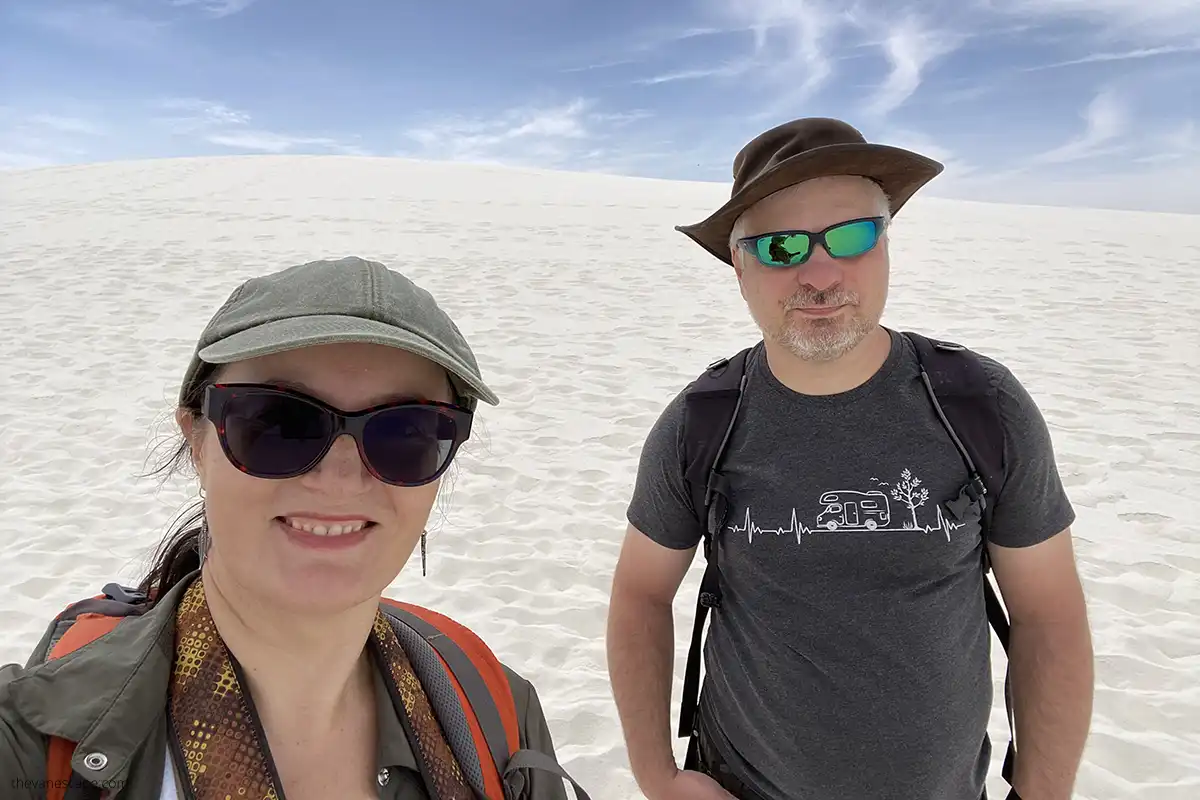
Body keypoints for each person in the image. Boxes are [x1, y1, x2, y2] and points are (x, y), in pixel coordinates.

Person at [606, 118, 1094, 800]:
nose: (821, 273)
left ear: (887, 244)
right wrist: (658, 776)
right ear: (739, 266)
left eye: (853, 235)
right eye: (780, 246)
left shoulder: (980, 406)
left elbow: (1048, 613)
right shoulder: (701, 423)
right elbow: (640, 592)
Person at [0, 256, 592, 800]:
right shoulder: (31, 743)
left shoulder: (497, 709)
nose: (339, 480)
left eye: (405, 432)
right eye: (278, 422)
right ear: (197, 441)